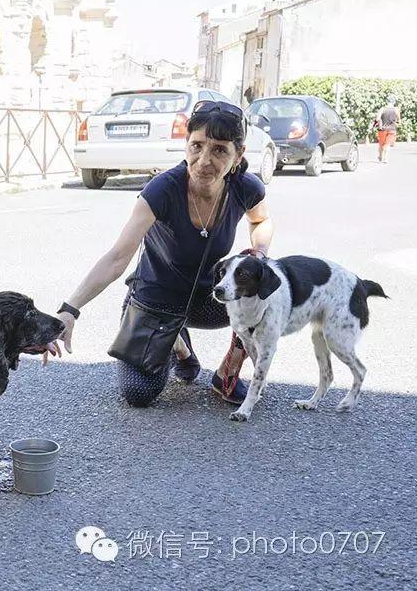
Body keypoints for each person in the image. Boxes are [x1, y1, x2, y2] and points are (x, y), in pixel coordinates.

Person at [55, 100, 274, 408]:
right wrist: (70, 309)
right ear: (186, 144)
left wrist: (260, 252)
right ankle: (179, 344)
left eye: (219, 150)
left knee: (264, 295)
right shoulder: (162, 190)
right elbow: (118, 256)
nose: (204, 160)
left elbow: (261, 220)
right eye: (197, 145)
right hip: (155, 301)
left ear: (238, 155)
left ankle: (227, 374)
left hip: (207, 299)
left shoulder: (244, 187)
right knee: (139, 393)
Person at [374, 95, 401, 163]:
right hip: (392, 129)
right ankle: (385, 158)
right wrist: (396, 122)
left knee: (381, 144)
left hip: (382, 129)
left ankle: (380, 157)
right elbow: (399, 120)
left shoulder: (382, 109)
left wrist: (380, 121)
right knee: (387, 144)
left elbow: (377, 119)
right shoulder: (396, 109)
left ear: (387, 101)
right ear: (394, 102)